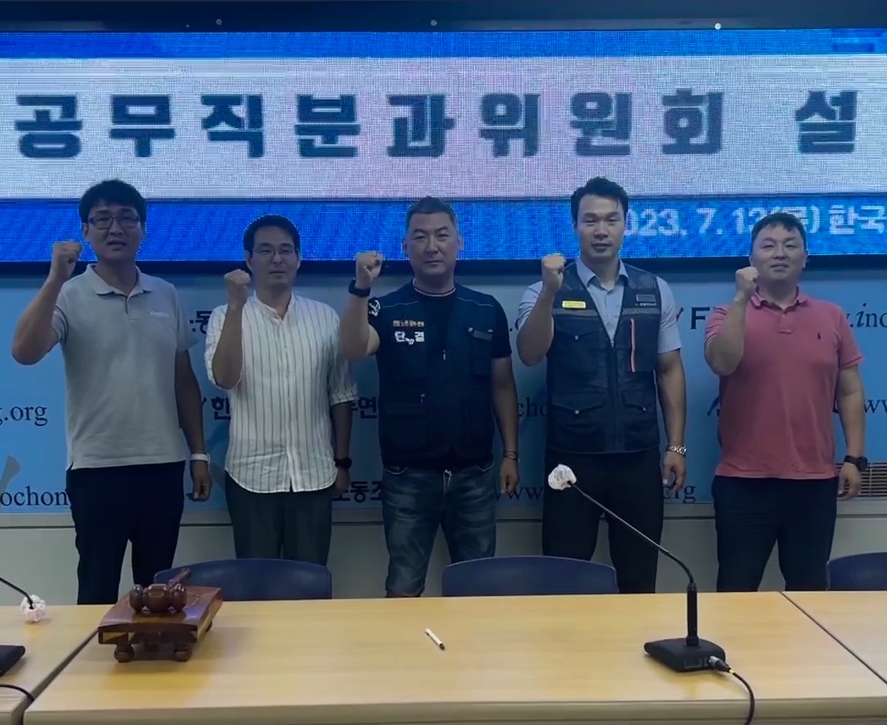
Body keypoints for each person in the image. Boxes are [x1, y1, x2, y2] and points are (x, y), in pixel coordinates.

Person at [11, 179, 211, 605]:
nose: (115, 228)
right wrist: (54, 279)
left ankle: (154, 648)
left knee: (159, 591)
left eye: (126, 218)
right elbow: (25, 353)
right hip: (97, 468)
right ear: (86, 231)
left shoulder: (165, 294)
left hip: (162, 465)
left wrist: (198, 454)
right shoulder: (68, 294)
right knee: (97, 588)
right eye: (102, 219)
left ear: (143, 229)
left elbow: (184, 380)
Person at [340, 197, 520, 597]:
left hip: (475, 474)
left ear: (459, 242)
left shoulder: (486, 309)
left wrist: (511, 454)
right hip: (408, 476)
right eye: (420, 237)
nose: (431, 246)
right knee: (403, 588)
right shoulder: (385, 308)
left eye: (441, 235)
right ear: (405, 246)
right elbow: (352, 348)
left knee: (478, 589)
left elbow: (503, 385)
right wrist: (361, 288)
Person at [516, 177, 688, 594]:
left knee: (639, 579)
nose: (601, 230)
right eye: (590, 220)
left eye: (611, 220)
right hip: (572, 461)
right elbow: (530, 353)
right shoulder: (543, 289)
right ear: (575, 226)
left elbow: (669, 370)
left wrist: (676, 446)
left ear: (626, 225)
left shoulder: (654, 289)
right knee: (565, 580)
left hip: (638, 456)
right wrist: (549, 295)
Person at [704, 211, 867, 592]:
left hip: (814, 483)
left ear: (805, 258)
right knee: (735, 591)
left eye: (790, 245)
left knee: (809, 593)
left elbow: (850, 391)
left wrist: (855, 458)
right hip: (743, 482)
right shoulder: (726, 314)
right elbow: (722, 363)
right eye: (768, 246)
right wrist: (742, 299)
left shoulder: (832, 316)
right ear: (751, 258)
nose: (780, 253)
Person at [204, 215, 356, 565]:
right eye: (266, 251)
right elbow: (224, 378)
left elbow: (341, 394)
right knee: (257, 584)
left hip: (314, 475)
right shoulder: (224, 316)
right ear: (249, 259)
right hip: (251, 477)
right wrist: (237, 306)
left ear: (298, 259)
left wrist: (342, 462)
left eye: (286, 250)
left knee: (310, 581)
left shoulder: (324, 317)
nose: (277, 259)